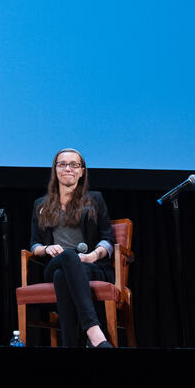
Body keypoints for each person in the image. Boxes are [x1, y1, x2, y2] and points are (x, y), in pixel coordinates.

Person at [28, 148, 115, 348]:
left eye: (74, 164)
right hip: (55, 262)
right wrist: (46, 249)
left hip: (90, 266)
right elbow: (34, 244)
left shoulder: (95, 199)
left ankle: (69, 345)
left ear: (82, 171)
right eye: (63, 164)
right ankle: (94, 333)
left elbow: (107, 238)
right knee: (67, 257)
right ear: (55, 169)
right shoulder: (40, 204)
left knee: (62, 276)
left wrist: (93, 256)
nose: (68, 168)